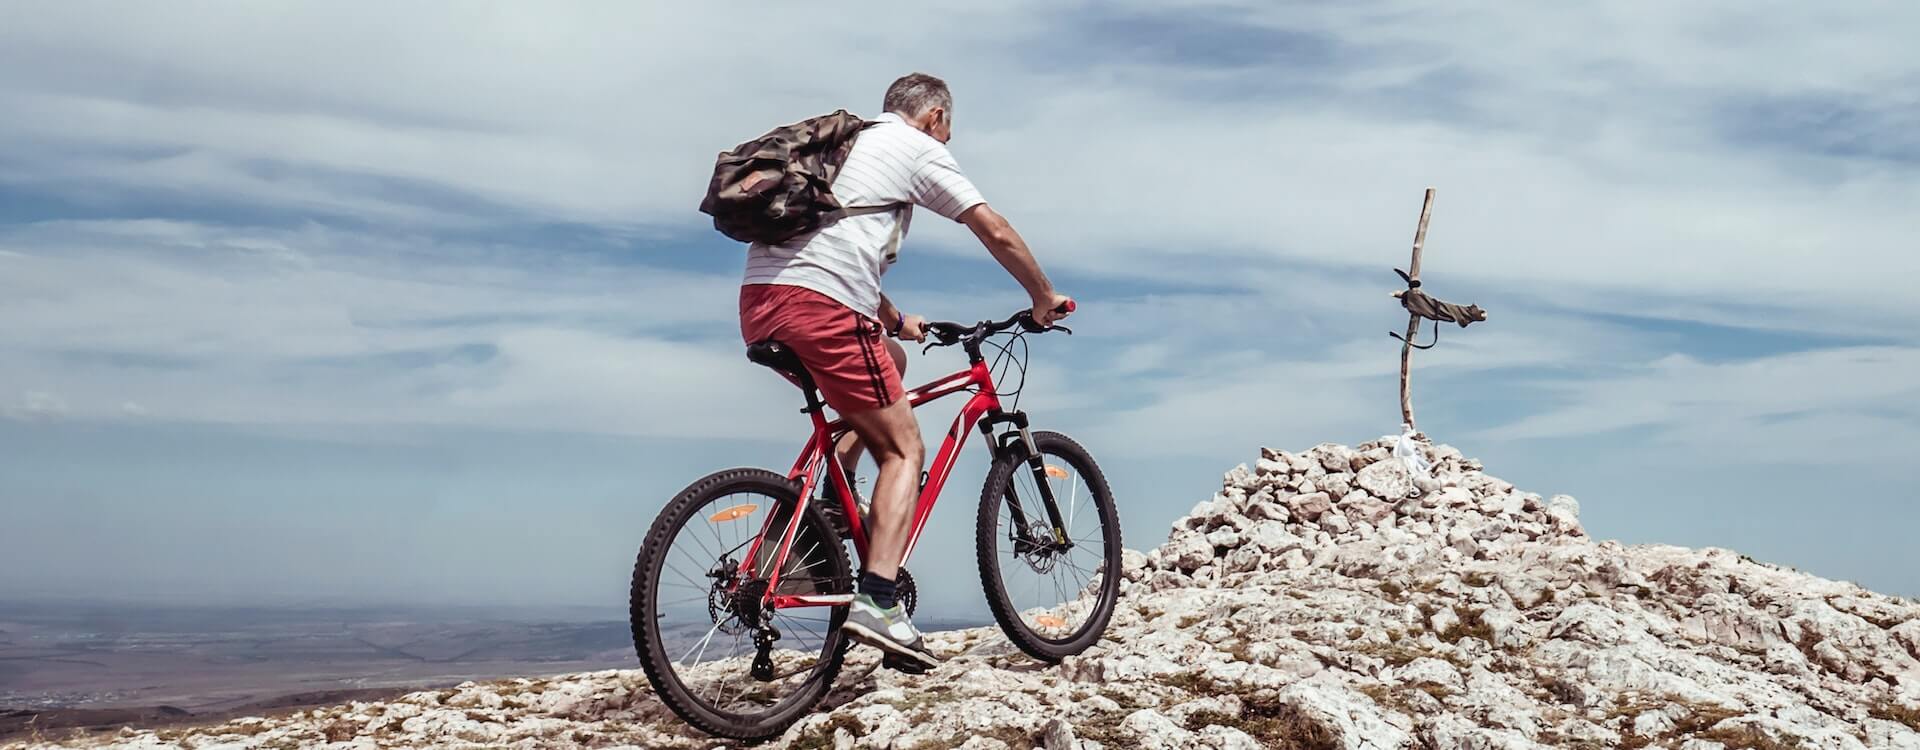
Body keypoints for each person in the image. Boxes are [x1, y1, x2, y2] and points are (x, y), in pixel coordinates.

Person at [739, 73, 1071, 670]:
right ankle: (879, 603)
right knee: (903, 450)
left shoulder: (845, 148)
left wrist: (893, 318)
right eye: (950, 128)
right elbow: (990, 226)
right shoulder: (916, 148)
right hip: (824, 308)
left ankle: (832, 508)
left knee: (887, 365)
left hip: (763, 305)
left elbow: (832, 248)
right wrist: (1042, 294)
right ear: (936, 117)